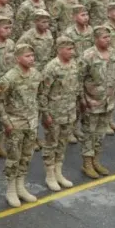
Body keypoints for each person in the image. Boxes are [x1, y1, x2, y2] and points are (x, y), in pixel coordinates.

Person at [0, 43, 43, 208]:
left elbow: (39, 96)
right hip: (15, 123)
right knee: (13, 157)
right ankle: (10, 189)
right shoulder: (9, 78)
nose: (31, 59)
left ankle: (21, 185)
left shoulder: (36, 75)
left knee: (26, 155)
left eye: (32, 56)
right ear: (17, 58)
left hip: (31, 122)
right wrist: (6, 122)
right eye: (27, 56)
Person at [38, 37, 79, 189]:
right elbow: (43, 93)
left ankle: (58, 171)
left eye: (73, 49)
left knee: (62, 142)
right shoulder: (52, 68)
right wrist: (45, 114)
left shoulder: (74, 65)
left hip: (69, 111)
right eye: (69, 49)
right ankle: (50, 174)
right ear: (59, 49)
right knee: (51, 143)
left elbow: (75, 87)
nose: (72, 52)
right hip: (54, 113)